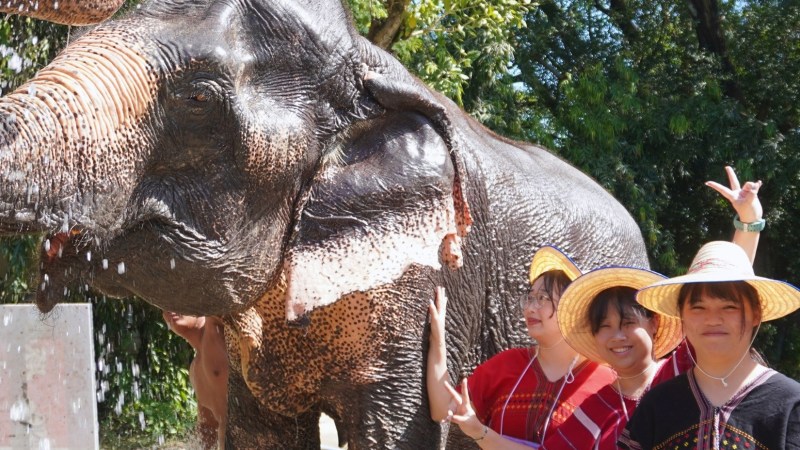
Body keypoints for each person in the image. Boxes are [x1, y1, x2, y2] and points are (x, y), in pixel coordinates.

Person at [538, 166, 764, 449]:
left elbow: (726, 285)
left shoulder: (682, 369)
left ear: (654, 323)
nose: (617, 336)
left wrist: (748, 222)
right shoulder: (591, 413)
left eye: (628, 323)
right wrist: (480, 432)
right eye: (604, 327)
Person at [427, 246, 615, 447]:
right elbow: (443, 408)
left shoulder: (607, 384)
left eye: (543, 298)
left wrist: (481, 433)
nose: (530, 308)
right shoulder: (507, 364)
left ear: (573, 308)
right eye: (530, 297)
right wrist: (438, 338)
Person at [618, 247, 800, 447]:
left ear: (756, 314)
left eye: (729, 307)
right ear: (681, 315)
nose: (712, 319)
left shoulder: (791, 404)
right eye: (698, 307)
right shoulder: (656, 405)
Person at [162, 312, 228, 449]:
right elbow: (208, 427)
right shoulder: (195, 369)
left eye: (181, 299)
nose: (170, 309)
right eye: (164, 304)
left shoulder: (214, 326)